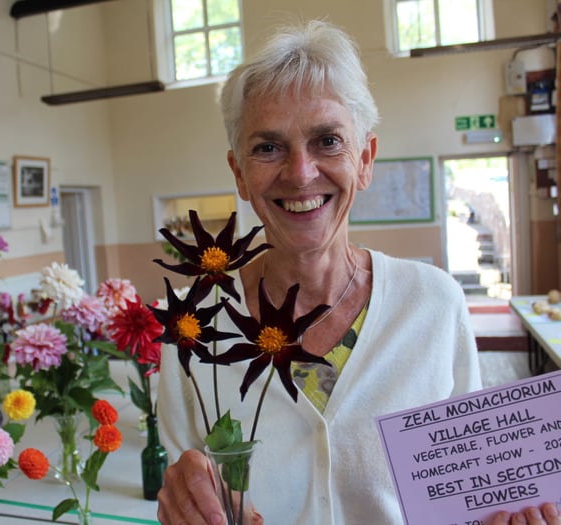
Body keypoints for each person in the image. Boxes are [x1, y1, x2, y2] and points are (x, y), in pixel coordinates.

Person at [155, 19, 561, 525]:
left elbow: (471, 498)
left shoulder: (432, 304)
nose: (300, 172)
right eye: (267, 147)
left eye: (327, 140)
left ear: (365, 160)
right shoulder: (196, 323)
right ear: (239, 171)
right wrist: (183, 500)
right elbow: (185, 479)